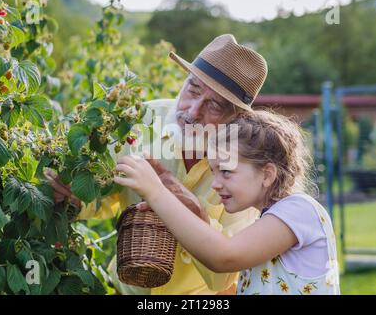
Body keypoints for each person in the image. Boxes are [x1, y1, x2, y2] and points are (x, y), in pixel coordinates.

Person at [45, 34, 269, 294]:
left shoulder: (245, 167)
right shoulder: (140, 120)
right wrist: (75, 198)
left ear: (236, 119)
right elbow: (106, 199)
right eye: (193, 89)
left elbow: (227, 274)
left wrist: (196, 214)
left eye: (214, 106)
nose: (193, 111)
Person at [114, 111, 340, 295]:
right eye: (214, 172)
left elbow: (223, 257)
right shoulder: (268, 222)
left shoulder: (299, 209)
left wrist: (155, 192)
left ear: (267, 175)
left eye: (226, 172)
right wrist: (196, 213)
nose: (215, 184)